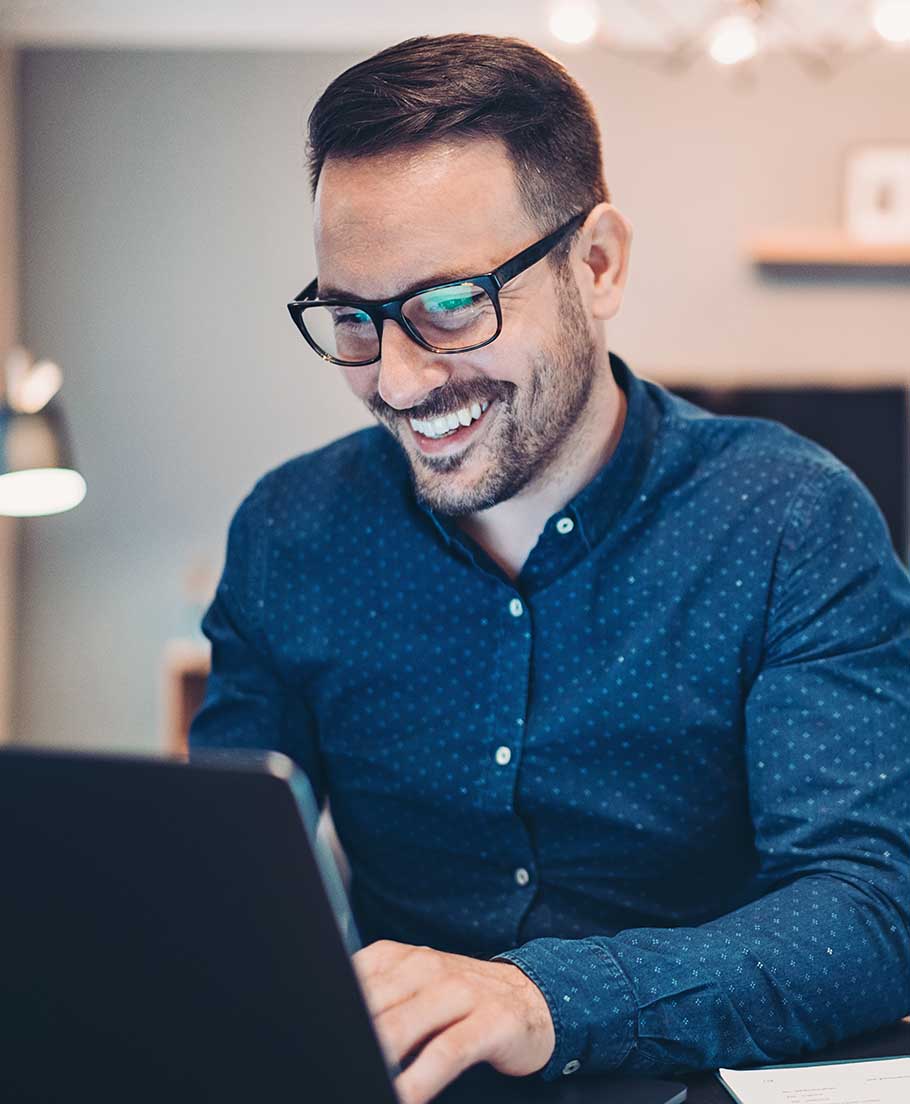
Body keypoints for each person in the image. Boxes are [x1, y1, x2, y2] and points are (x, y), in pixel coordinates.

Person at [189, 32, 910, 1104]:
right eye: (351, 316)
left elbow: (866, 913)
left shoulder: (792, 522)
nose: (394, 379)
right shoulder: (290, 532)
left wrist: (541, 1001)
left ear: (598, 263)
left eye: (448, 304)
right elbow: (224, 881)